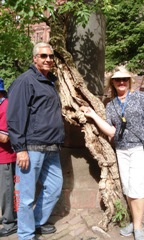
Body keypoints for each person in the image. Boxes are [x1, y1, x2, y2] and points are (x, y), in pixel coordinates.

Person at [81, 67, 144, 240]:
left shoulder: (140, 97)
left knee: (137, 187)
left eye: (125, 79)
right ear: (112, 82)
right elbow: (111, 131)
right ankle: (134, 222)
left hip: (139, 148)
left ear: (129, 81)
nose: (122, 82)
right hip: (121, 149)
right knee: (127, 187)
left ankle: (138, 227)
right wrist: (93, 116)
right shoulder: (111, 105)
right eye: (118, 80)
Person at [7, 42, 65, 240]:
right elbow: (14, 117)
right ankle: (25, 234)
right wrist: (20, 148)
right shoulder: (25, 81)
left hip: (51, 147)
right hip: (31, 148)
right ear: (35, 58)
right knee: (26, 196)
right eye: (43, 56)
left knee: (55, 187)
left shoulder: (49, 81)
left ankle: (35, 222)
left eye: (50, 56)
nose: (48, 59)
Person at [0, 78, 17, 237]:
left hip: (6, 157)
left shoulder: (6, 107)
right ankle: (9, 216)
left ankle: (10, 222)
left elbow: (5, 137)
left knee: (7, 191)